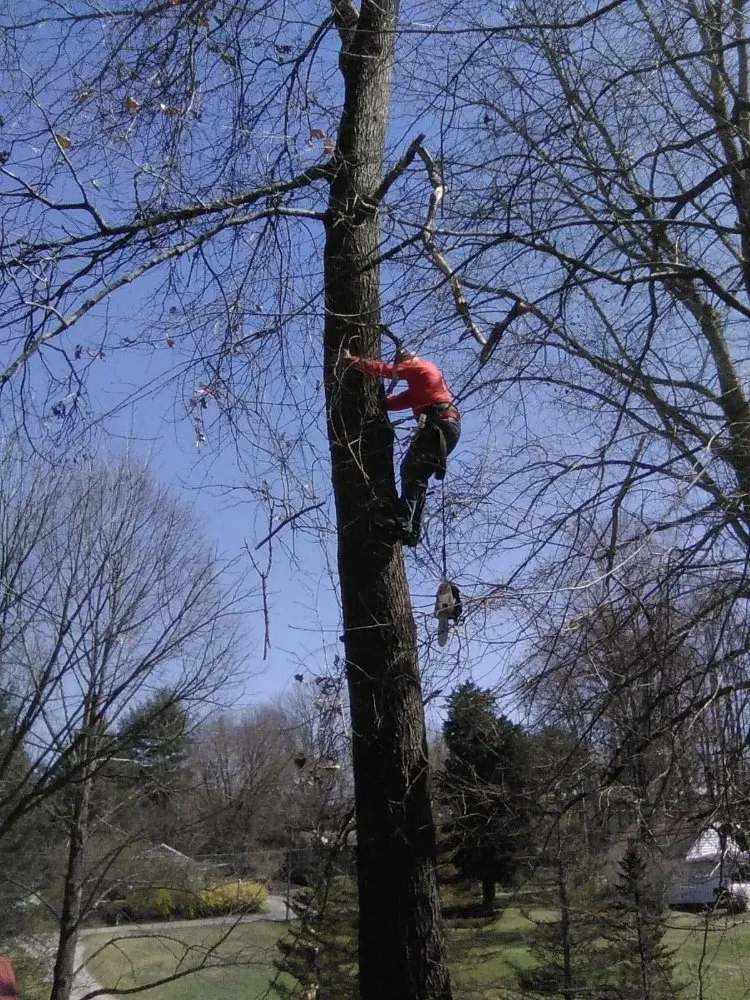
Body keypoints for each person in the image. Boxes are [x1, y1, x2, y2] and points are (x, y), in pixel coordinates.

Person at [344, 347, 461, 545]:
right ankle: (412, 530)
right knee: (418, 477)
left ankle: (403, 520)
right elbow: (392, 403)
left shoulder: (420, 367)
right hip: (447, 427)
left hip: (439, 425)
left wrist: (353, 362)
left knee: (411, 470)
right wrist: (377, 402)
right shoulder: (420, 386)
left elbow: (387, 370)